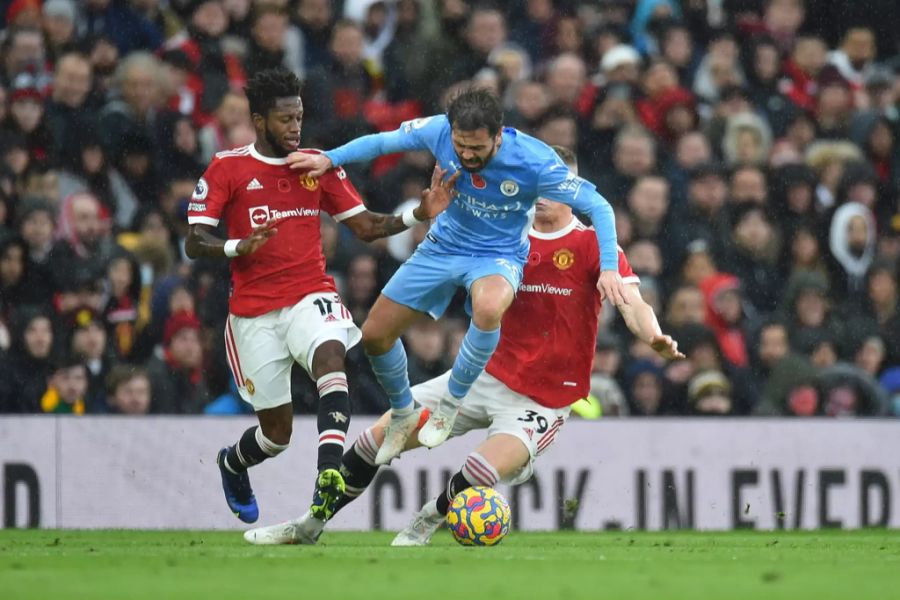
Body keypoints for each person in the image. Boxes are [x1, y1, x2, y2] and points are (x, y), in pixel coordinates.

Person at [244, 147, 683, 545]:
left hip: (543, 399)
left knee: (479, 469)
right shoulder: (508, 233)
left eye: (555, 184)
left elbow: (633, 303)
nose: (543, 192)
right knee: (373, 441)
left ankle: (430, 517)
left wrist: (654, 336)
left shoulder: (592, 245)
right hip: (484, 376)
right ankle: (309, 525)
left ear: (576, 190)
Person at [287, 87, 627, 465]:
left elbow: (599, 206)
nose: (466, 155)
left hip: (497, 256)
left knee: (489, 307)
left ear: (498, 136)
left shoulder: (535, 161)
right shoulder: (437, 130)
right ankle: (403, 412)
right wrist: (330, 158)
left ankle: (449, 404)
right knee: (374, 336)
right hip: (442, 246)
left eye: (476, 148)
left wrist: (610, 266)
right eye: (460, 145)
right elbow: (384, 142)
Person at [184, 68, 457, 525]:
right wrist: (236, 247)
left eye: (299, 118)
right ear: (259, 120)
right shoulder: (228, 168)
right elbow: (195, 241)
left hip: (311, 293)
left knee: (332, 354)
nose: (295, 128)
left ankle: (328, 471)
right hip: (254, 313)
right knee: (276, 435)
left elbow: (367, 227)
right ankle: (232, 463)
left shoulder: (316, 165)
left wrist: (418, 214)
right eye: (285, 119)